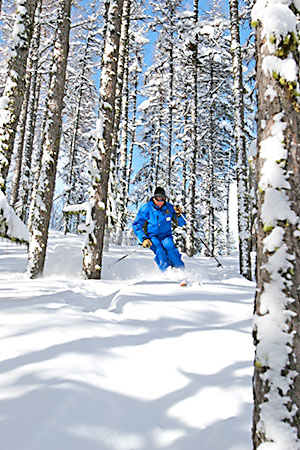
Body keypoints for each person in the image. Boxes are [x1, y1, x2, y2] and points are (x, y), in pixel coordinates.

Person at [132, 187, 185, 272]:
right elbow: (137, 225)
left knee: (170, 249)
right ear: (154, 198)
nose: (160, 202)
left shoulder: (169, 208)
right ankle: (166, 271)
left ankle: (180, 270)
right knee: (159, 251)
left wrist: (179, 215)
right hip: (152, 237)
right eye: (158, 199)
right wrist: (144, 238)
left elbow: (181, 223)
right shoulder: (146, 208)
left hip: (166, 236)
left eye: (163, 199)